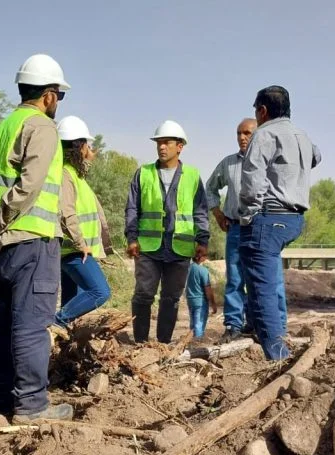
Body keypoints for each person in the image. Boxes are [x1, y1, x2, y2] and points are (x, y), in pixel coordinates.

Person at [0, 54, 73, 422]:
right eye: (58, 96)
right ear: (48, 95)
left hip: (3, 248)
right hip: (32, 241)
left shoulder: (4, 127)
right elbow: (28, 187)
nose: (57, 103)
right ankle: (31, 406)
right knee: (31, 325)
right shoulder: (42, 127)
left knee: (2, 325)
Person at [237, 85, 322, 360]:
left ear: (262, 111)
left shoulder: (264, 134)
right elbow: (316, 156)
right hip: (294, 219)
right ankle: (272, 345)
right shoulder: (302, 135)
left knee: (261, 292)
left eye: (256, 111)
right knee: (269, 283)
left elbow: (251, 183)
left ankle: (278, 360)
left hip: (268, 217)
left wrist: (247, 216)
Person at [125, 120, 210, 344]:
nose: (162, 147)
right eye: (159, 143)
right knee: (143, 295)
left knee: (171, 298)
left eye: (167, 142)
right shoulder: (142, 173)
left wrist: (203, 240)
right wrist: (131, 238)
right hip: (148, 248)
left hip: (180, 248)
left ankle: (162, 344)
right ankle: (140, 342)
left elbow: (201, 211)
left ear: (180, 146)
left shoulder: (192, 176)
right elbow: (132, 208)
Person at [53, 115, 113, 334]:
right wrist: (81, 243)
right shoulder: (65, 175)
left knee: (72, 305)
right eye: (88, 145)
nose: (92, 150)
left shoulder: (76, 176)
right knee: (100, 292)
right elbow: (65, 212)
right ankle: (56, 322)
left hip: (75, 251)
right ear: (79, 147)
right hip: (75, 251)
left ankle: (61, 344)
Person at [205, 118, 258, 342]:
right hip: (236, 229)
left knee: (258, 279)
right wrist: (217, 213)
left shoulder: (270, 163)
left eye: (247, 133)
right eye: (239, 133)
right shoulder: (228, 163)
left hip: (260, 228)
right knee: (235, 279)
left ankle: (257, 324)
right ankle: (233, 326)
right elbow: (210, 188)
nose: (242, 137)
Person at [184, 260, 218, 341]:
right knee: (199, 324)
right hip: (200, 301)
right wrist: (213, 304)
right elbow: (208, 289)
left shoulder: (188, 268)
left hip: (190, 300)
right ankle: (197, 344)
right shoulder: (203, 270)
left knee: (193, 324)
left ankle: (191, 341)